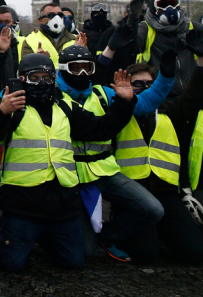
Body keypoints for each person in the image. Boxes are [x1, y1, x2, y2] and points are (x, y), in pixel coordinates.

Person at [0, 35, 137, 273]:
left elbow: (101, 129)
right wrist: (1, 112)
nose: (41, 83)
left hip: (62, 202)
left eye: (47, 78)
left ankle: (39, 236)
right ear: (23, 79)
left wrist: (125, 102)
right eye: (35, 78)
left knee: (74, 262)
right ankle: (2, 228)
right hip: (22, 201)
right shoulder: (13, 105)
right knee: (10, 265)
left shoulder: (64, 105)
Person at [54, 45, 169, 262]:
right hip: (71, 179)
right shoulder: (52, 96)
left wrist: (166, 76)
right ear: (62, 69)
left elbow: (145, 103)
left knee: (153, 209)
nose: (82, 74)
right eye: (75, 68)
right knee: (86, 252)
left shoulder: (102, 93)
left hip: (106, 172)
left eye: (87, 68)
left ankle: (108, 236)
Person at [111, 52, 203, 264]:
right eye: (137, 83)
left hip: (166, 193)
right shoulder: (118, 112)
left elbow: (194, 95)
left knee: (195, 253)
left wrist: (200, 63)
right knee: (146, 254)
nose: (144, 88)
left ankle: (162, 230)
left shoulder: (170, 111)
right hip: (133, 194)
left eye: (149, 84)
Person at [135, 0, 202, 96]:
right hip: (160, 97)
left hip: (190, 96)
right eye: (163, 4)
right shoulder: (145, 28)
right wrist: (132, 18)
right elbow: (132, 43)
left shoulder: (190, 26)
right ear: (153, 7)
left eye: (173, 3)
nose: (169, 8)